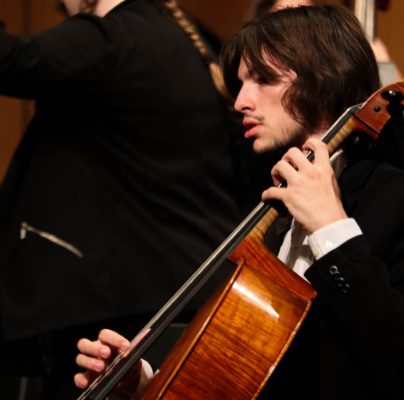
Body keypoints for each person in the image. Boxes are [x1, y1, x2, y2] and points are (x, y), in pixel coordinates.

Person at [74, 5, 404, 399]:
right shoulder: (271, 219)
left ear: (325, 79)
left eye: (263, 80)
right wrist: (147, 384)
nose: (241, 101)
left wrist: (333, 232)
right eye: (240, 83)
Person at [0, 0, 246, 398]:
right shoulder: (193, 39)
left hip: (120, 308)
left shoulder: (109, 38)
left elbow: (10, 61)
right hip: (194, 286)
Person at [253, 0, 404, 174]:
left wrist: (385, 67)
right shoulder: (256, 125)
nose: (298, 26)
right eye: (283, 20)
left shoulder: (355, 98)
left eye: (304, 18)